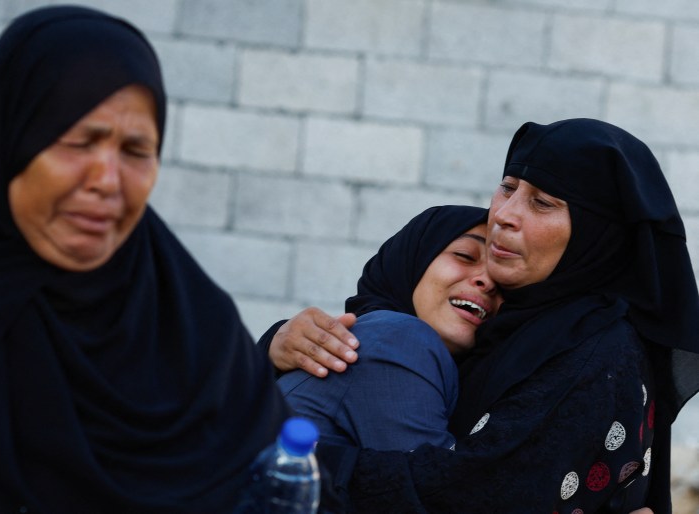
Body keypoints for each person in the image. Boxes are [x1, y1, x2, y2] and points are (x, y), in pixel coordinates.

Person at [0, 6, 303, 513]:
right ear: (8, 142)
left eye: (135, 149)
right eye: (78, 142)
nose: (106, 179)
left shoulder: (196, 330)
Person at [265, 119, 699, 513]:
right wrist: (272, 347)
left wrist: (279, 457)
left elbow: (465, 497)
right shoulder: (495, 334)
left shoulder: (589, 350)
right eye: (507, 187)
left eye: (543, 202)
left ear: (596, 235)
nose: (504, 216)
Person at [277, 206, 501, 452]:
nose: (487, 281)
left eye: (502, 281)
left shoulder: (384, 340)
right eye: (465, 256)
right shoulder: (399, 339)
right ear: (412, 260)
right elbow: (434, 485)